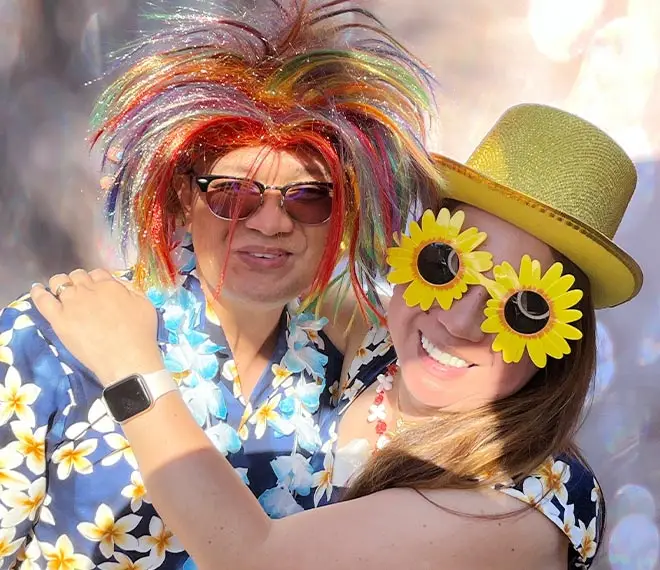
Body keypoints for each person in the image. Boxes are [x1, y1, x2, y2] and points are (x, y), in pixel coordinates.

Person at [33, 103, 643, 570]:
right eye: (443, 267)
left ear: (564, 339)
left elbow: (255, 559)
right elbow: (287, 253)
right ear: (407, 258)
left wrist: (130, 365)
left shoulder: (529, 500)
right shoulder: (379, 352)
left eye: (523, 309)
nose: (460, 323)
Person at [0, 1, 444, 568]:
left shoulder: (347, 385)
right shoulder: (51, 341)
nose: (270, 222)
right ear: (185, 198)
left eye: (309, 197)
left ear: (343, 214)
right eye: (234, 194)